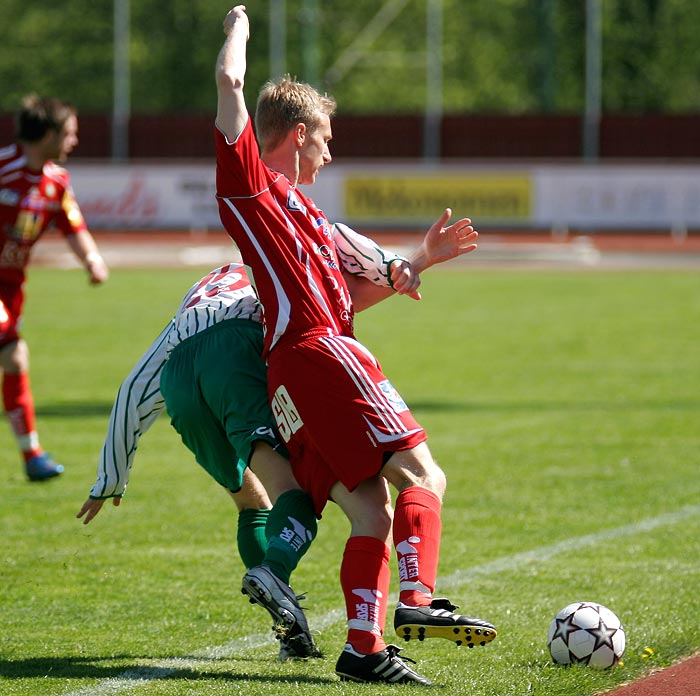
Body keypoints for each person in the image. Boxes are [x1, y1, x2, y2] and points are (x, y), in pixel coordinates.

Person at [215, 5, 496, 686]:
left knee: (370, 509)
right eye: (326, 139)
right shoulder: (255, 185)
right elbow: (229, 82)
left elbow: (347, 297)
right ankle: (418, 602)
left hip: (295, 371)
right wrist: (241, 22)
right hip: (319, 355)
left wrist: (417, 264)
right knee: (426, 476)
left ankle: (362, 652)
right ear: (300, 133)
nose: (330, 153)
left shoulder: (312, 217)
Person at [76, 209, 468, 660]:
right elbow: (340, 301)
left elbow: (132, 389)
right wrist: (415, 261)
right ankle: (275, 571)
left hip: (180, 379)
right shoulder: (273, 275)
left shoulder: (193, 308)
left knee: (251, 500)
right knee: (295, 488)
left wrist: (111, 478)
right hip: (237, 349)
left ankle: (290, 632)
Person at [0, 94, 109, 481]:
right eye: (69, 132)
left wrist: (92, 260)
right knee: (12, 353)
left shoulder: (55, 182)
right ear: (48, 134)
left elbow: (72, 226)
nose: (74, 140)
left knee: (14, 360)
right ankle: (32, 454)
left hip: (11, 289)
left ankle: (32, 456)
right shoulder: (4, 168)